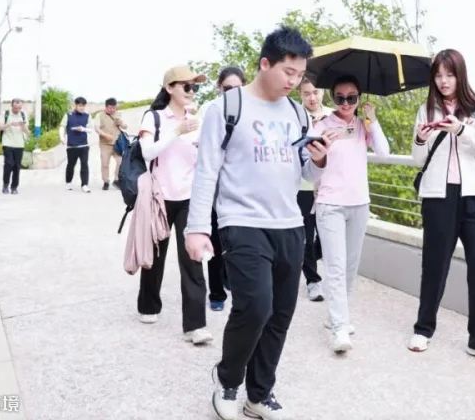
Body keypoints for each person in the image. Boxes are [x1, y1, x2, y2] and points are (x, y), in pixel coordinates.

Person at [184, 26, 333, 420]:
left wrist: (319, 159)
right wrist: (196, 229)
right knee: (255, 307)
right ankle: (227, 379)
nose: (294, 81)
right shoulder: (227, 107)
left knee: (281, 314)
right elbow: (206, 170)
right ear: (265, 63)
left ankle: (259, 394)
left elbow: (306, 172)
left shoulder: (297, 112)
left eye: (300, 74)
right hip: (242, 220)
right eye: (288, 71)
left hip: (290, 224)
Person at [407, 48, 475, 365]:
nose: (443, 81)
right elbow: (418, 160)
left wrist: (461, 129)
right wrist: (421, 139)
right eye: (438, 75)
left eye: (449, 74)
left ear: (460, 75)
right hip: (438, 196)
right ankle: (423, 329)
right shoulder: (426, 110)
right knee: (434, 266)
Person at [308, 76, 389, 353]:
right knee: (335, 266)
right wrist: (322, 148)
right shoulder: (321, 125)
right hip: (330, 203)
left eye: (351, 98)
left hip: (359, 204)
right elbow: (310, 168)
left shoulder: (362, 126)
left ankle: (337, 316)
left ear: (359, 98)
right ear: (332, 98)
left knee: (351, 266)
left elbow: (383, 152)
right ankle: (340, 327)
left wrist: (372, 121)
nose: (345, 103)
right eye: (340, 98)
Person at [136, 65, 214, 345]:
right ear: (170, 88)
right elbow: (148, 153)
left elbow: (205, 156)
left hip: (189, 198)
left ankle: (195, 325)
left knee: (192, 258)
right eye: (187, 86)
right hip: (159, 196)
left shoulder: (196, 119)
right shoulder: (154, 117)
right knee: (155, 254)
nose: (192, 91)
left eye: (195, 87)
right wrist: (177, 131)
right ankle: (148, 304)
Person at [199, 66, 247, 312]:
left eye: (237, 89)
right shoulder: (210, 110)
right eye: (228, 88)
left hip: (241, 189)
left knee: (238, 244)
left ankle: (231, 281)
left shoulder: (249, 110)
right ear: (219, 87)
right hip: (216, 189)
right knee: (215, 244)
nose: (232, 93)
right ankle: (216, 293)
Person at [296, 74, 332, 302]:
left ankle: (307, 262)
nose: (312, 97)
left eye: (316, 92)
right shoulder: (294, 116)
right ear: (300, 94)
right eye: (307, 93)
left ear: (323, 92)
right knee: (307, 236)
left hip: (330, 185)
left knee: (327, 236)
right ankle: (313, 280)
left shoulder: (333, 115)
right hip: (304, 185)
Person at [59, 96, 94, 193]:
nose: (82, 107)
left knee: (84, 165)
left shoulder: (87, 116)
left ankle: (84, 185)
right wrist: (62, 138)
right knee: (71, 165)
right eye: (80, 105)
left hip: (84, 145)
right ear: (75, 105)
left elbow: (91, 129)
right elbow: (62, 127)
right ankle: (68, 182)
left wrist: (83, 129)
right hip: (71, 146)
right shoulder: (68, 115)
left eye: (83, 106)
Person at [95, 97, 128, 191]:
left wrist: (120, 123)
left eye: (114, 108)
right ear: (106, 107)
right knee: (105, 164)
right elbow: (97, 129)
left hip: (117, 144)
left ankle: (116, 180)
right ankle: (106, 182)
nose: (112, 110)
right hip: (105, 144)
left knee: (121, 162)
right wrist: (105, 135)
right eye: (110, 108)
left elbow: (125, 126)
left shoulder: (118, 114)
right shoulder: (99, 115)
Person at [0, 98, 29, 194]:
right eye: (16, 108)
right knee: (8, 164)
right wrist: (10, 124)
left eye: (19, 108)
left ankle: (14, 187)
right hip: (7, 143)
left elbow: (28, 132)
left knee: (17, 166)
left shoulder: (23, 115)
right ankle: (5, 184)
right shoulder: (5, 114)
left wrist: (22, 125)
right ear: (12, 106)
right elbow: (0, 127)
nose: (17, 110)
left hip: (19, 144)